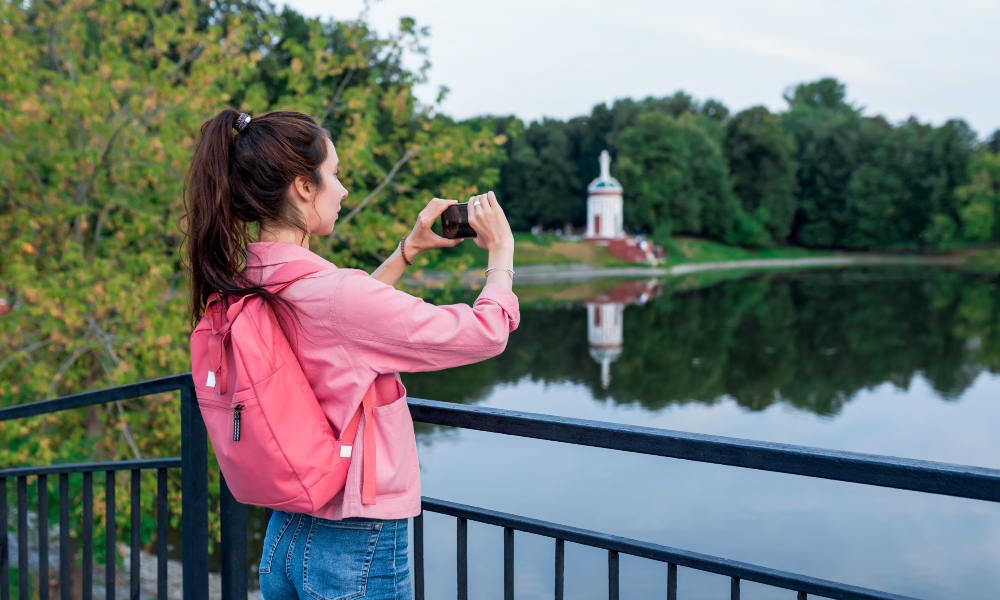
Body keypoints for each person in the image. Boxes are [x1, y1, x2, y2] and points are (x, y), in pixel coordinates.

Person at [183, 109, 519, 599]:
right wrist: (502, 252)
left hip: (284, 536)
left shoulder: (243, 283)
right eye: (334, 174)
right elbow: (484, 333)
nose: (342, 190)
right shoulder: (333, 295)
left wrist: (407, 251)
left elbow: (339, 328)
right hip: (356, 540)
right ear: (303, 185)